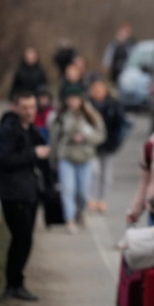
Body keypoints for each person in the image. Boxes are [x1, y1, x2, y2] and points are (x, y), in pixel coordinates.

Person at [0, 91, 53, 301]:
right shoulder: (7, 130)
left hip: (30, 193)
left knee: (25, 240)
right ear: (15, 107)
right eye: (25, 107)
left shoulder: (33, 131)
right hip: (12, 194)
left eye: (33, 107)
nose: (30, 112)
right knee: (22, 238)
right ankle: (13, 284)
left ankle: (16, 282)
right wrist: (33, 154)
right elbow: (5, 160)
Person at [49, 86, 105, 234]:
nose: (73, 102)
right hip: (66, 156)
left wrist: (85, 137)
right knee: (68, 189)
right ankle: (70, 218)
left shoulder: (90, 116)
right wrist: (53, 157)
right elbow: (54, 139)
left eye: (75, 99)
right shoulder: (61, 116)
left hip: (85, 157)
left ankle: (83, 211)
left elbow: (101, 135)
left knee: (83, 190)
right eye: (70, 99)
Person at [88, 78, 126, 213]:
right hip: (92, 145)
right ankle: (91, 197)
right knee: (94, 172)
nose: (98, 91)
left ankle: (102, 199)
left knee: (106, 174)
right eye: (95, 88)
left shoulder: (113, 104)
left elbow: (121, 125)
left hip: (108, 145)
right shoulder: (87, 105)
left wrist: (116, 142)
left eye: (100, 88)